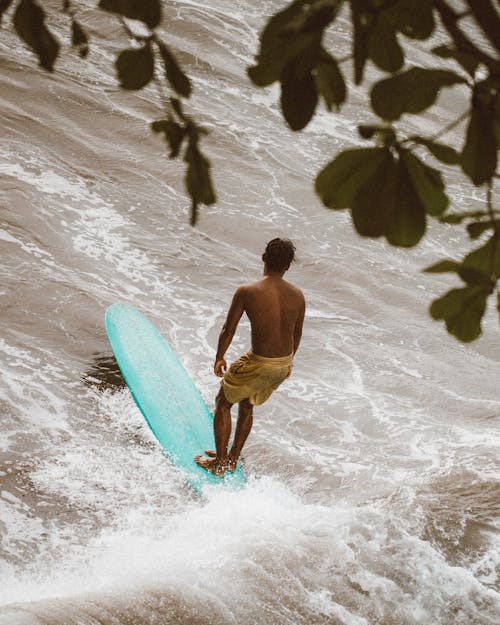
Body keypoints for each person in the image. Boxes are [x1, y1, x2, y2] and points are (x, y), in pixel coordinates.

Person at [195, 238, 305, 477]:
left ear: (263, 257)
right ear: (287, 266)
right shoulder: (298, 296)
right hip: (282, 363)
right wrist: (289, 364)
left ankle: (221, 463)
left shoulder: (247, 291)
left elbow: (228, 328)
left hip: (260, 362)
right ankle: (232, 457)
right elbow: (297, 334)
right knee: (247, 403)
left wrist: (219, 357)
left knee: (223, 403)